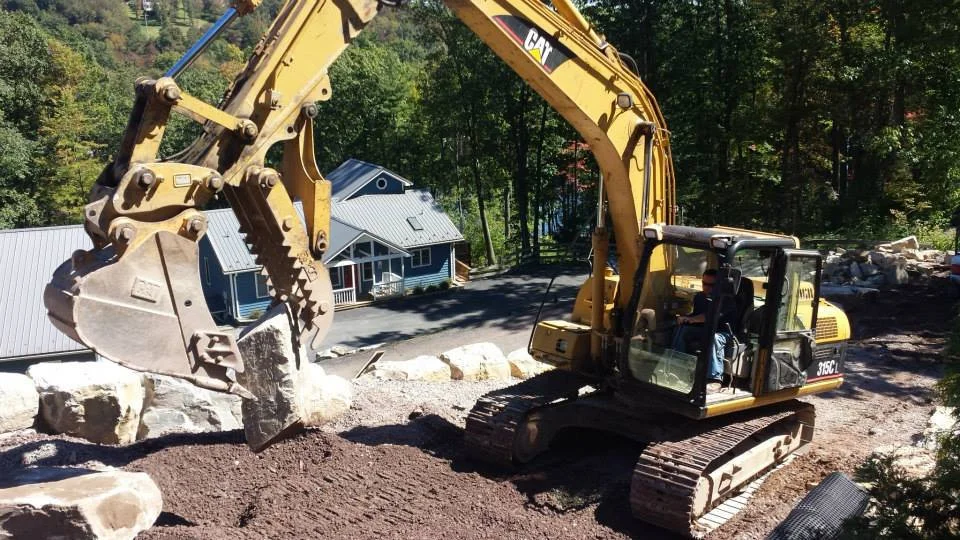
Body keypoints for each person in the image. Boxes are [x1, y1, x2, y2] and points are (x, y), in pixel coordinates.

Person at [671, 269, 736, 393]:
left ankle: (714, 380)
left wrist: (691, 319)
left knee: (714, 338)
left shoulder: (726, 300)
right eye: (704, 283)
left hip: (724, 333)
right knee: (682, 329)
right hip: (704, 329)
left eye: (710, 285)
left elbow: (710, 317)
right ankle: (677, 366)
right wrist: (684, 318)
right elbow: (696, 315)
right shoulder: (699, 297)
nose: (706, 287)